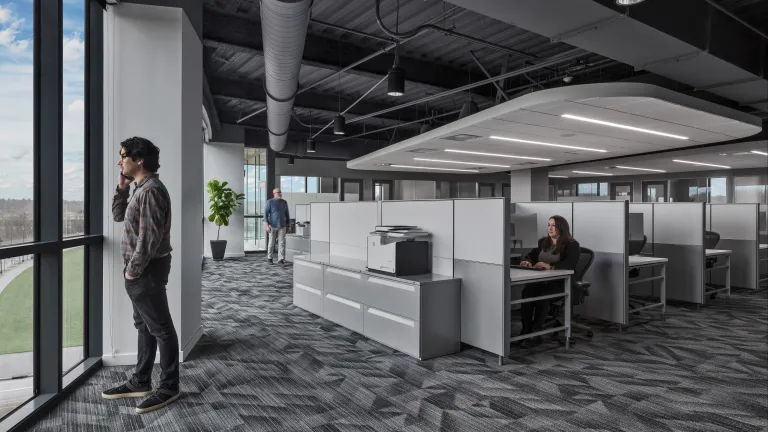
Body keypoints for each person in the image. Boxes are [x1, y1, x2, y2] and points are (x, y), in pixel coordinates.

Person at [101, 137, 180, 414]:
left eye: (123, 156)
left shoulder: (151, 191)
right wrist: (122, 189)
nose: (119, 161)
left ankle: (169, 386)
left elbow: (148, 238)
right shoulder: (139, 189)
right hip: (140, 269)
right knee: (145, 326)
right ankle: (141, 381)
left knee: (161, 329)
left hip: (146, 269)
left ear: (139, 160)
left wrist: (133, 272)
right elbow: (119, 216)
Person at [517, 215, 580, 348]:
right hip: (541, 280)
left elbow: (570, 264)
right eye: (549, 225)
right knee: (527, 292)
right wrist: (527, 262)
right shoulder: (543, 242)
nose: (550, 228)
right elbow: (532, 255)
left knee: (542, 295)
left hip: (560, 283)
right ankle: (525, 331)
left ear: (561, 227)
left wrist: (550, 267)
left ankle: (535, 333)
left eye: (554, 225)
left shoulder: (572, 244)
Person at [265, 187, 290, 265]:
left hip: (282, 225)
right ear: (274, 193)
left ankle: (281, 259)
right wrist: (266, 225)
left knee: (282, 243)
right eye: (278, 192)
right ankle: (270, 258)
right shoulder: (269, 202)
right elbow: (265, 215)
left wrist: (288, 225)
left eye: (280, 192)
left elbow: (287, 214)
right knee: (271, 243)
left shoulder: (284, 202)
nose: (280, 194)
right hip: (272, 225)